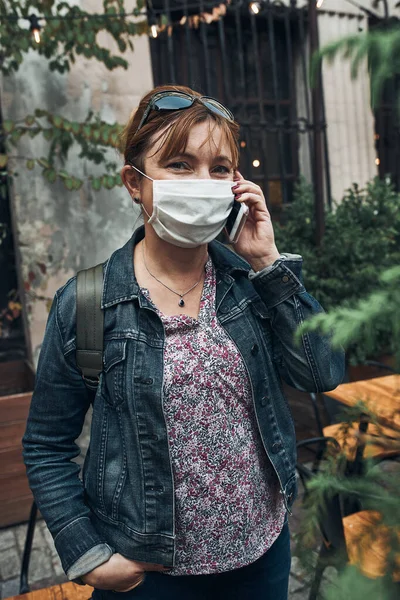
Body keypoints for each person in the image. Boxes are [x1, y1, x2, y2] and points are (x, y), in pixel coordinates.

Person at [23, 84, 345, 600]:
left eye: (219, 168)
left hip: (261, 557)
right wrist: (88, 554)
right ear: (135, 181)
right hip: (149, 577)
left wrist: (268, 262)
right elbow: (44, 445)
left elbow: (323, 372)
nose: (203, 182)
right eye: (179, 164)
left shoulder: (249, 282)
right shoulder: (86, 302)